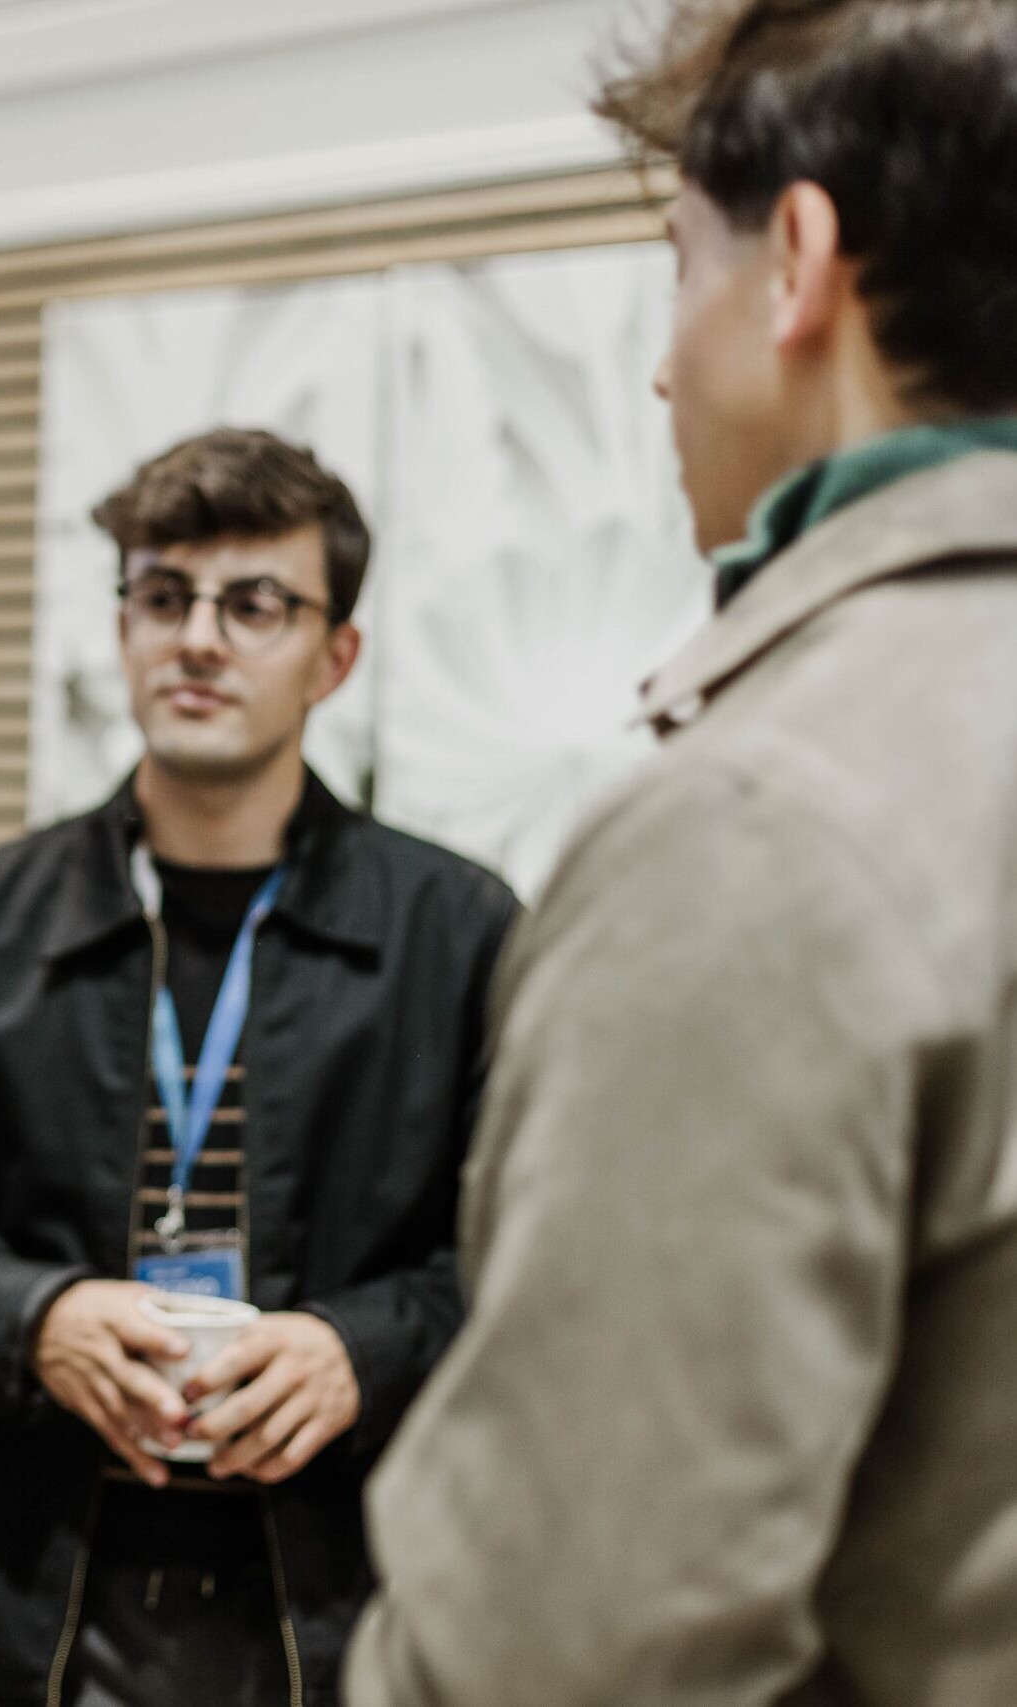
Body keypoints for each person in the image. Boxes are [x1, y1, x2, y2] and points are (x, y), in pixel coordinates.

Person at [346, 4, 1017, 1703]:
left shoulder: (765, 823)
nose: (659, 367)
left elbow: (571, 1643)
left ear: (793, 262)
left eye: (674, 269)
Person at [0, 428, 520, 1707]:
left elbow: (540, 1246)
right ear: (123, 625)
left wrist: (357, 1347)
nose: (197, 637)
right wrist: (32, 1319)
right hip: (27, 1586)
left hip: (351, 1597)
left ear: (335, 654)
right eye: (162, 596)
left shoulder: (458, 931)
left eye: (253, 603)